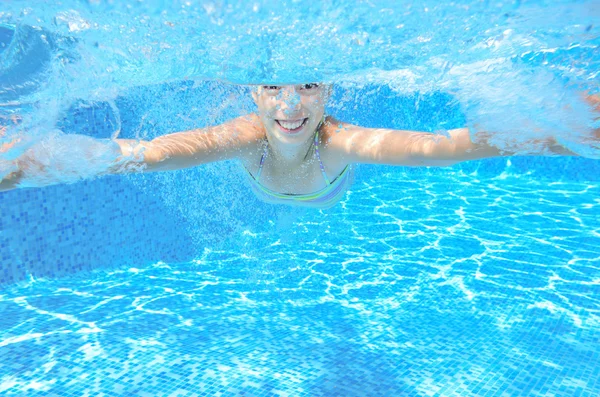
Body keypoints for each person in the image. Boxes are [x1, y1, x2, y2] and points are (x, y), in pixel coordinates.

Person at [1, 83, 599, 208]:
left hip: (328, 194)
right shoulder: (244, 134)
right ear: (254, 95)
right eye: (274, 91)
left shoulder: (337, 141)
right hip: (269, 188)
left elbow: (432, 149)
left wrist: (554, 133)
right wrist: (34, 159)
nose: (291, 107)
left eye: (307, 88)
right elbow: (147, 153)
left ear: (327, 91)